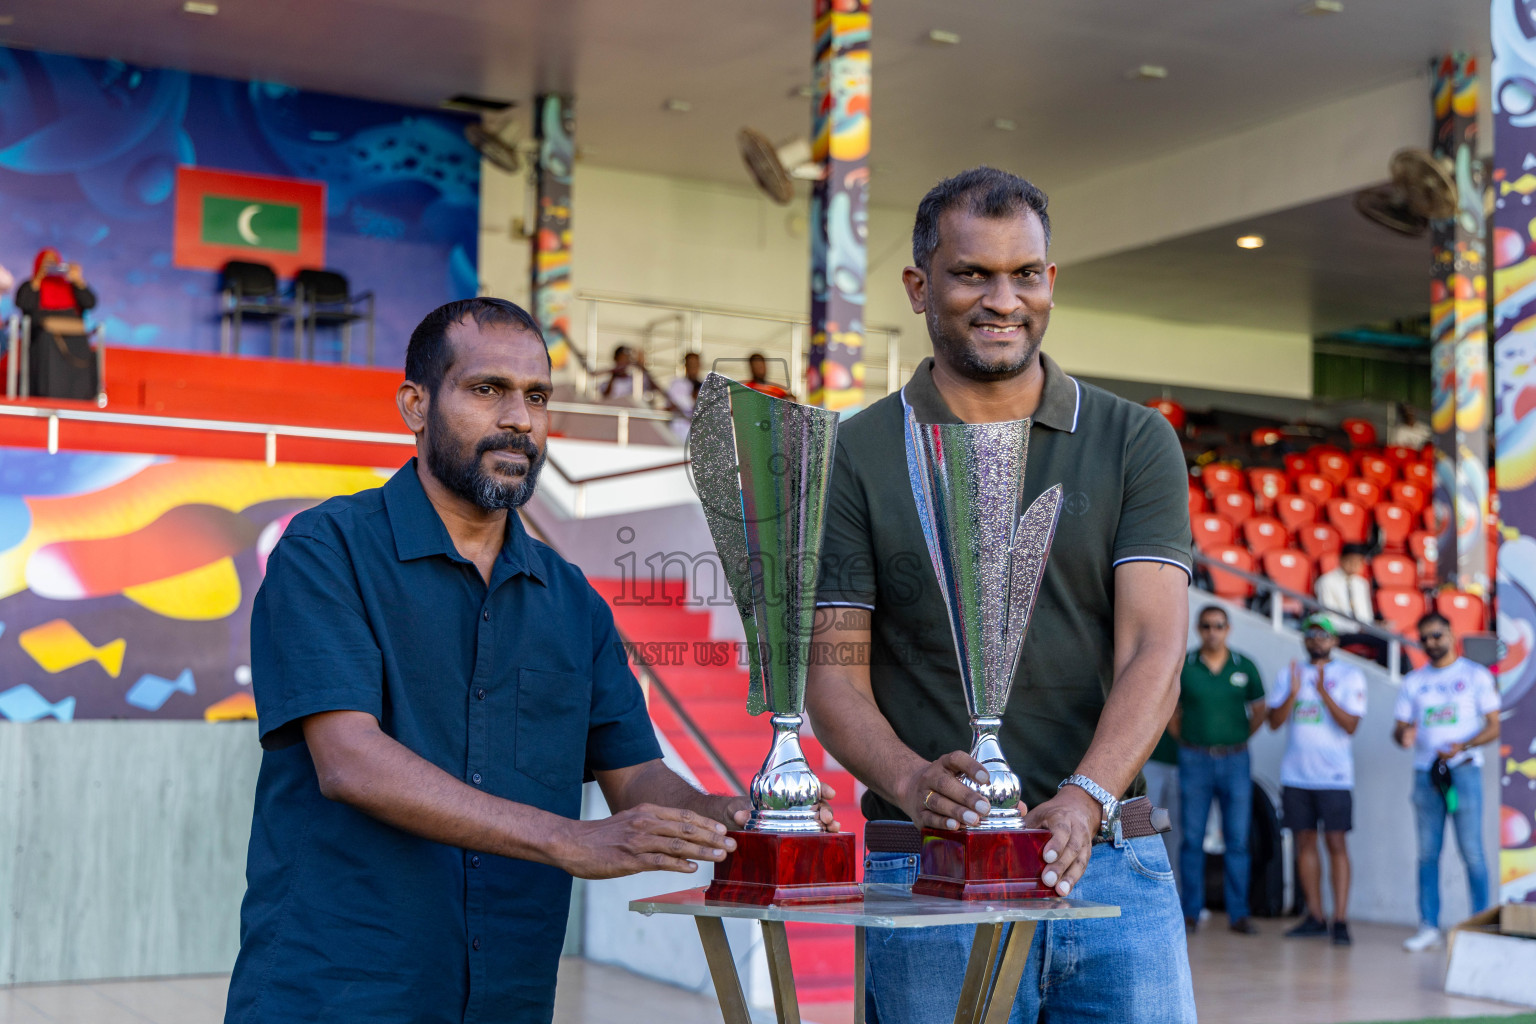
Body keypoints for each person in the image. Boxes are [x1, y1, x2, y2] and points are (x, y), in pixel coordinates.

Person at [224, 298, 833, 1024]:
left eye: (537, 396)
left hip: (508, 991)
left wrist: (727, 815)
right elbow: (349, 759)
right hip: (342, 986)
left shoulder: (572, 599)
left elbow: (634, 774)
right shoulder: (328, 550)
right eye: (487, 390)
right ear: (415, 405)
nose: (519, 418)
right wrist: (569, 839)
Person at [807, 166, 1196, 1023]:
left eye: (1025, 274)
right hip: (930, 869)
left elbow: (1155, 650)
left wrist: (1085, 800)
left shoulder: (1135, 441)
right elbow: (833, 673)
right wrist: (913, 783)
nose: (1003, 299)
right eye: (972, 273)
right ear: (919, 286)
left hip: (1114, 864)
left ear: (1051, 282)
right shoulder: (857, 453)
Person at [1393, 612, 1501, 952]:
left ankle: (1482, 923)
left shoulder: (1474, 675)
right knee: (1427, 853)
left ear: (1451, 634)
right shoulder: (1414, 681)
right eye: (1424, 638)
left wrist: (1464, 745)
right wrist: (1404, 734)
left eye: (1437, 635)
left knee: (1472, 852)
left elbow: (1494, 726)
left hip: (1463, 770)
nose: (1431, 643)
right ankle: (1428, 925)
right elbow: (1399, 730)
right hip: (1427, 774)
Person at [1266, 614, 1366, 946]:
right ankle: (1315, 916)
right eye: (1311, 633)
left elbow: (1350, 725)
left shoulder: (1350, 675)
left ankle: (1340, 919)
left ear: (1335, 641)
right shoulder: (1289, 674)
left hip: (1334, 778)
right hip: (1296, 776)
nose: (1317, 639)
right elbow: (1274, 722)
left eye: (1324, 635)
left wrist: (1323, 692)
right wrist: (1294, 693)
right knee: (1304, 844)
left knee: (1336, 844)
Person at [1173, 605, 1266, 934]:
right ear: (1198, 629)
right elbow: (1172, 712)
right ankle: (1190, 912)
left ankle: (1238, 913)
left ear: (1228, 629)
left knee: (1238, 840)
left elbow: (1259, 711)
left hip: (1236, 760)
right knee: (1192, 839)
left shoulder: (1245, 665)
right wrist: (1189, 739)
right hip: (1194, 760)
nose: (1213, 631)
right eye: (1207, 626)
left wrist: (1235, 739)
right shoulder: (1186, 665)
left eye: (1219, 626)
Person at [14, 248, 98, 400]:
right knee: (46, 340)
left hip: (74, 339)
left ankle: (81, 395)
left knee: (83, 343)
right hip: (45, 339)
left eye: (54, 262)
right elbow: (24, 303)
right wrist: (38, 278)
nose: (51, 265)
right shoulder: (31, 285)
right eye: (47, 262)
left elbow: (90, 302)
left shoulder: (70, 287)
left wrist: (78, 280)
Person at [1315, 544, 1373, 629]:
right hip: (1338, 630)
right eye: (1351, 560)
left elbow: (1367, 615)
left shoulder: (1362, 584)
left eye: (1359, 561)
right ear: (1341, 560)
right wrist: (1353, 628)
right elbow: (1328, 615)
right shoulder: (1326, 581)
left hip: (1363, 630)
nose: (1355, 565)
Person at [667, 350, 703, 440]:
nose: (693, 367)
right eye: (691, 363)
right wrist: (691, 399)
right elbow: (673, 405)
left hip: (698, 434)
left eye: (696, 364)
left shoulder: (704, 386)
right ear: (685, 365)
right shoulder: (677, 384)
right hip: (679, 431)